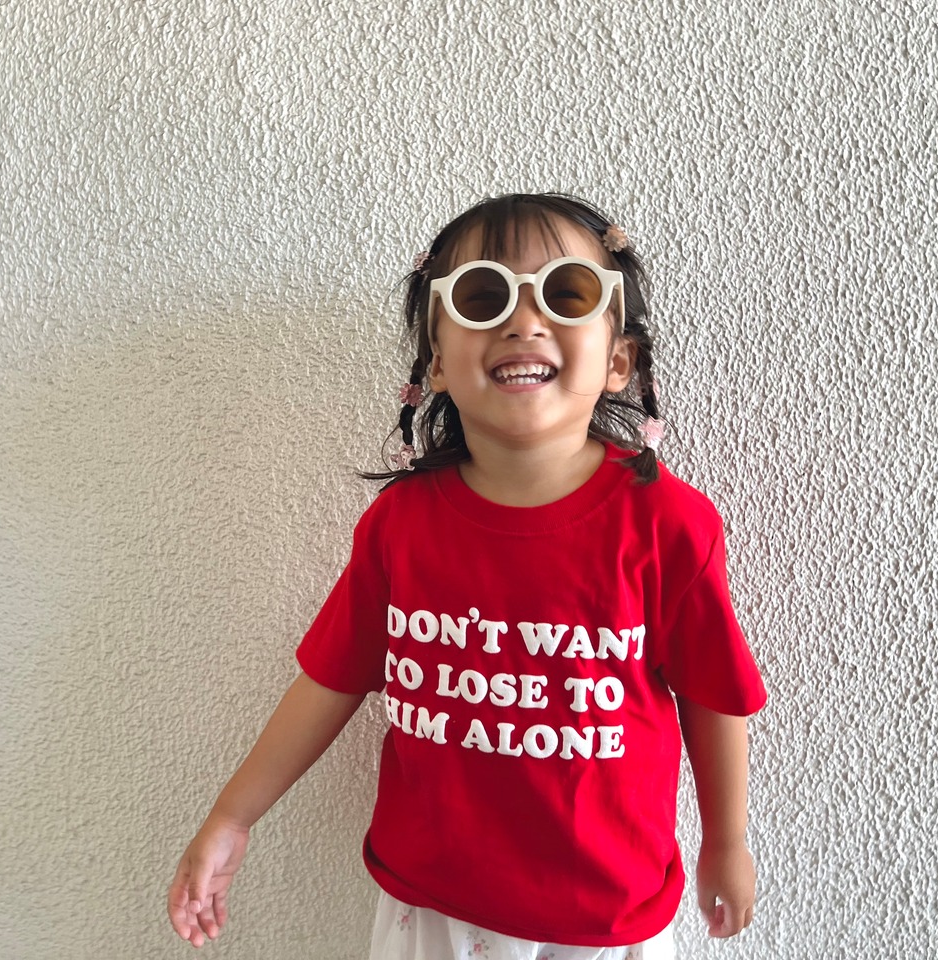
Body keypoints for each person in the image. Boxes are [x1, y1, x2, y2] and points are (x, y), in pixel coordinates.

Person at [168, 193, 767, 959]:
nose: (524, 320)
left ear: (619, 361)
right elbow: (330, 680)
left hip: (605, 915)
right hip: (432, 907)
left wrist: (726, 840)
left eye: (567, 294)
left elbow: (713, 694)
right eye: (483, 297)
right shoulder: (401, 524)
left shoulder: (668, 525)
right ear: (439, 364)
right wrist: (232, 816)